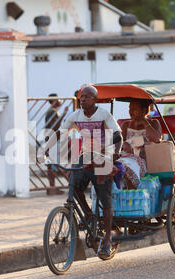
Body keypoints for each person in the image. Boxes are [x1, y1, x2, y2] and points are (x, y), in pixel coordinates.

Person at [58, 85, 123, 258]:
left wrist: (115, 152)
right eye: (81, 96)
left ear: (95, 99)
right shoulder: (75, 116)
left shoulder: (104, 115)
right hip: (86, 156)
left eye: (87, 96)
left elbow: (118, 134)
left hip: (103, 156)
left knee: (104, 197)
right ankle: (88, 213)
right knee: (74, 184)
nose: (83, 99)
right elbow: (62, 132)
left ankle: (108, 239)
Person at [119, 100, 162, 190]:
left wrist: (144, 123)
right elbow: (119, 143)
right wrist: (124, 144)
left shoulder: (154, 123)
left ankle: (132, 195)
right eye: (130, 108)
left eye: (134, 109)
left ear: (144, 110)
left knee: (127, 167)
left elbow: (157, 139)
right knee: (116, 165)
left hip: (145, 160)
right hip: (127, 157)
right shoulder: (126, 125)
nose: (131, 111)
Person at [44, 93, 69, 195]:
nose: (60, 101)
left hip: (51, 139)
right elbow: (55, 126)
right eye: (58, 100)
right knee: (54, 164)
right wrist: (64, 114)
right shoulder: (51, 112)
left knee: (52, 164)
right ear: (54, 101)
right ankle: (53, 187)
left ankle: (52, 187)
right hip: (53, 139)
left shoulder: (51, 111)